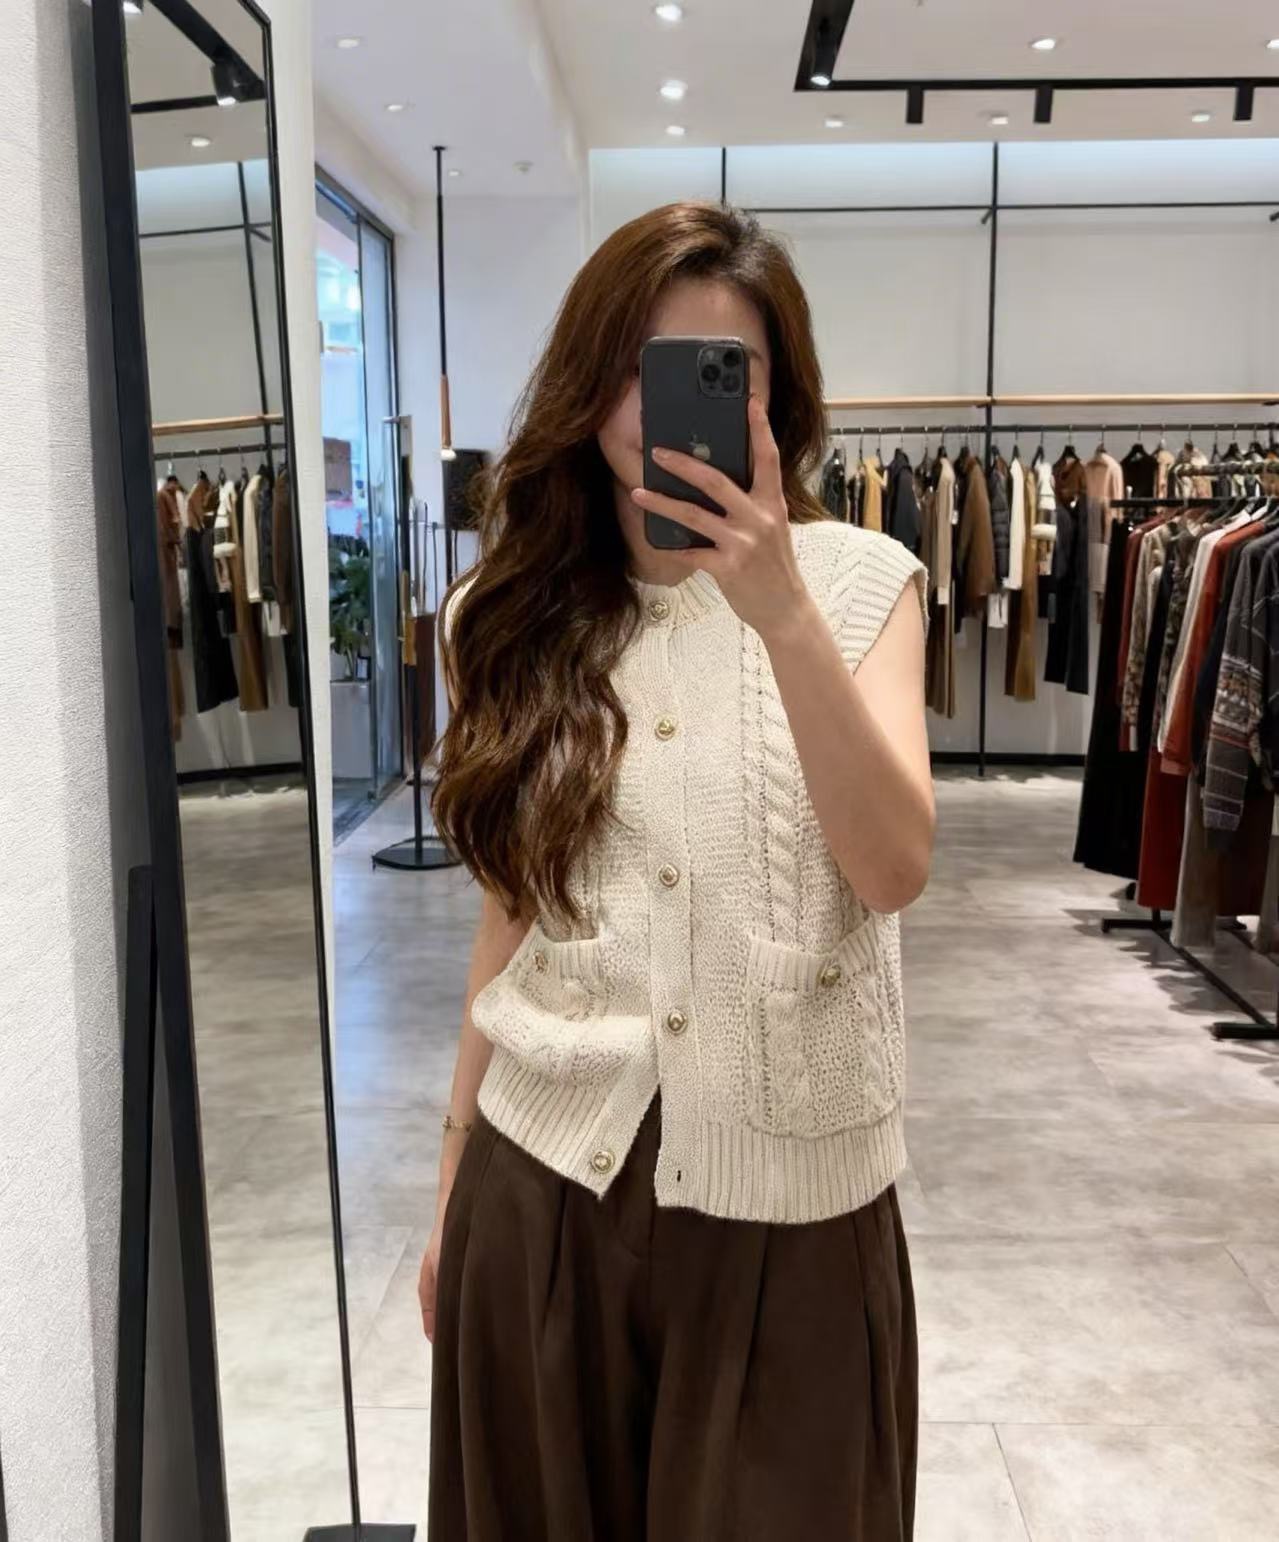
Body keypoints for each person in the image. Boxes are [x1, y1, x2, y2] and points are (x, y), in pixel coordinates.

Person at [421, 201, 934, 1541]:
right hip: (543, 1198)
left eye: (718, 372)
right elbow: (509, 918)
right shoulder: (507, 617)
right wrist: (451, 1184)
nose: (667, 410)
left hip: (793, 1216)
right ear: (588, 382)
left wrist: (781, 613)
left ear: (775, 399)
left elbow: (893, 867)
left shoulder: (863, 585)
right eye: (639, 365)